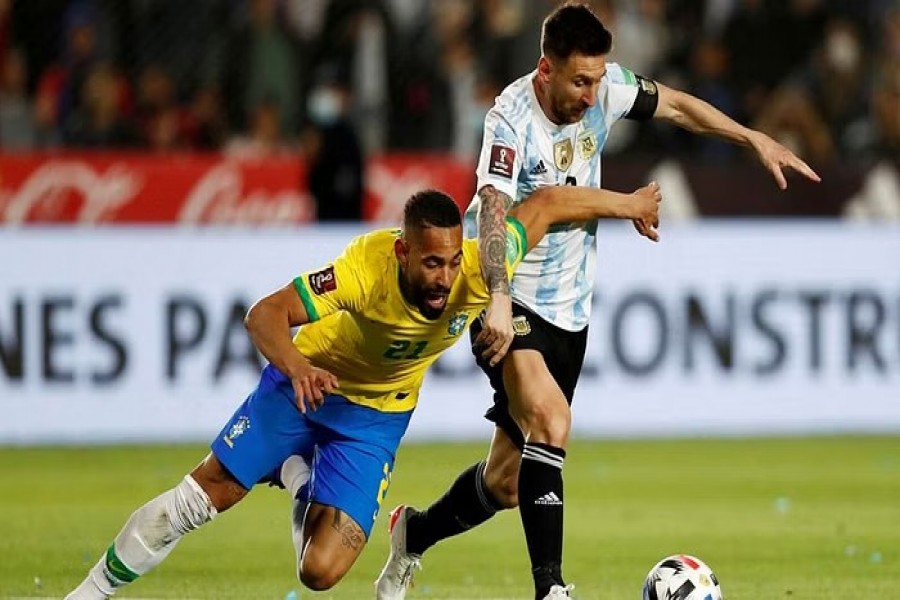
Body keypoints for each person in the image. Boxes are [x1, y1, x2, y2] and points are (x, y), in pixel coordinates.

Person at [375, 4, 822, 600]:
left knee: (507, 483)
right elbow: (493, 213)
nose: (592, 94)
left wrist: (750, 137)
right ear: (545, 69)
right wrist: (499, 299)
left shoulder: (607, 88)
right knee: (552, 422)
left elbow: (680, 106)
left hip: (571, 310)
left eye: (597, 78)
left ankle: (414, 536)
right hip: (508, 296)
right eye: (579, 80)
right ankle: (551, 589)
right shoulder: (510, 119)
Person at [65, 182, 663, 599]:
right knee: (205, 497)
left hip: (376, 420)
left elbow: (551, 203)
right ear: (403, 250)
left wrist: (630, 203)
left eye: (453, 263)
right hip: (308, 385)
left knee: (321, 574)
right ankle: (87, 594)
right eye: (431, 264)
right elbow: (263, 315)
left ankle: (300, 473)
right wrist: (298, 367)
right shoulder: (362, 269)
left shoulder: (482, 265)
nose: (445, 279)